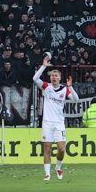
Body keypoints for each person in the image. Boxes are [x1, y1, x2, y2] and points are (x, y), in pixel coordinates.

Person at [33, 53, 77, 182]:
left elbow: (76, 100)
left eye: (56, 75)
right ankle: (47, 174)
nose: (54, 77)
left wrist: (70, 87)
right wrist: (43, 66)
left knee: (61, 149)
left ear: (60, 78)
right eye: (52, 75)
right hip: (47, 123)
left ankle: (58, 167)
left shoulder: (64, 90)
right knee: (47, 148)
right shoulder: (46, 87)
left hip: (59, 123)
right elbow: (35, 78)